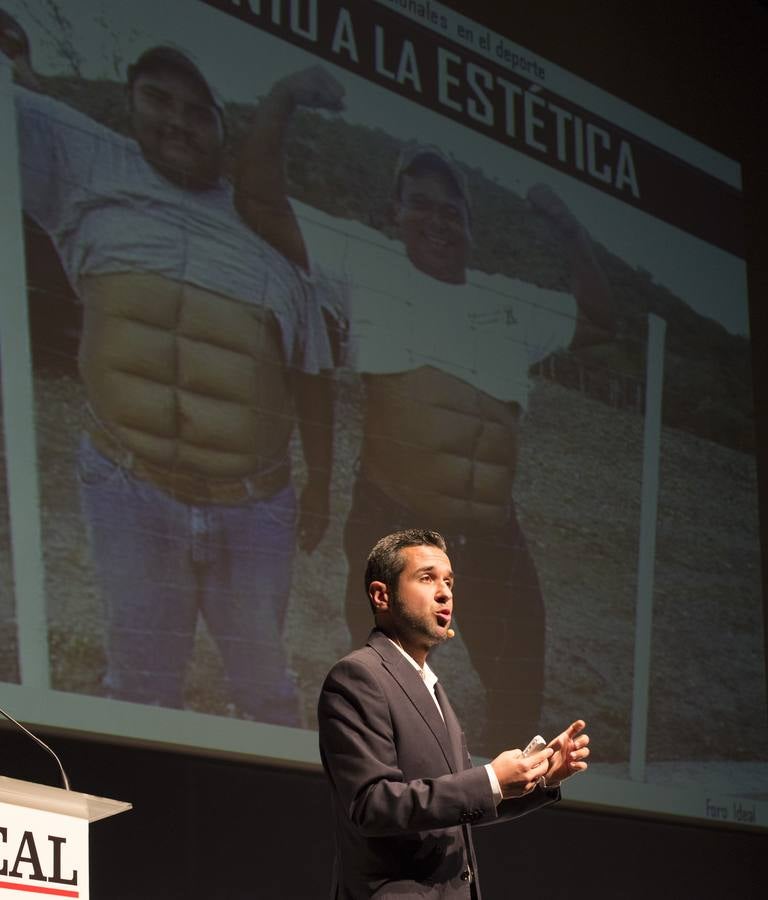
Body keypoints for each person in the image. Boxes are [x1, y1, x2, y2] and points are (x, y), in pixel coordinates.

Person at [235, 69, 615, 753]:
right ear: (396, 212)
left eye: (452, 211)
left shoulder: (511, 302)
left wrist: (566, 224)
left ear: (470, 225)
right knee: (388, 699)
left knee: (519, 693)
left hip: (495, 537)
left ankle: (498, 831)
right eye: (422, 205)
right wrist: (284, 96)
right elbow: (260, 201)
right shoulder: (368, 262)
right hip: (397, 526)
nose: (438, 220)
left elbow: (601, 320)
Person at [5, 40, 338, 725]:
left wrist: (322, 482)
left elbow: (313, 375)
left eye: (197, 111)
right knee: (139, 680)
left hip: (253, 503)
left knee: (264, 685)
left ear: (225, 128)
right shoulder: (84, 162)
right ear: (130, 102)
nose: (176, 122)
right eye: (158, 100)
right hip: (128, 486)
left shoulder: (271, 226)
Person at [318, 529, 590, 898]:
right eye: (427, 578)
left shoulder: (433, 689)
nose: (445, 593)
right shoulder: (358, 677)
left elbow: (459, 806)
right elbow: (373, 804)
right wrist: (491, 778)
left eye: (449, 581)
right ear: (381, 595)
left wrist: (539, 778)